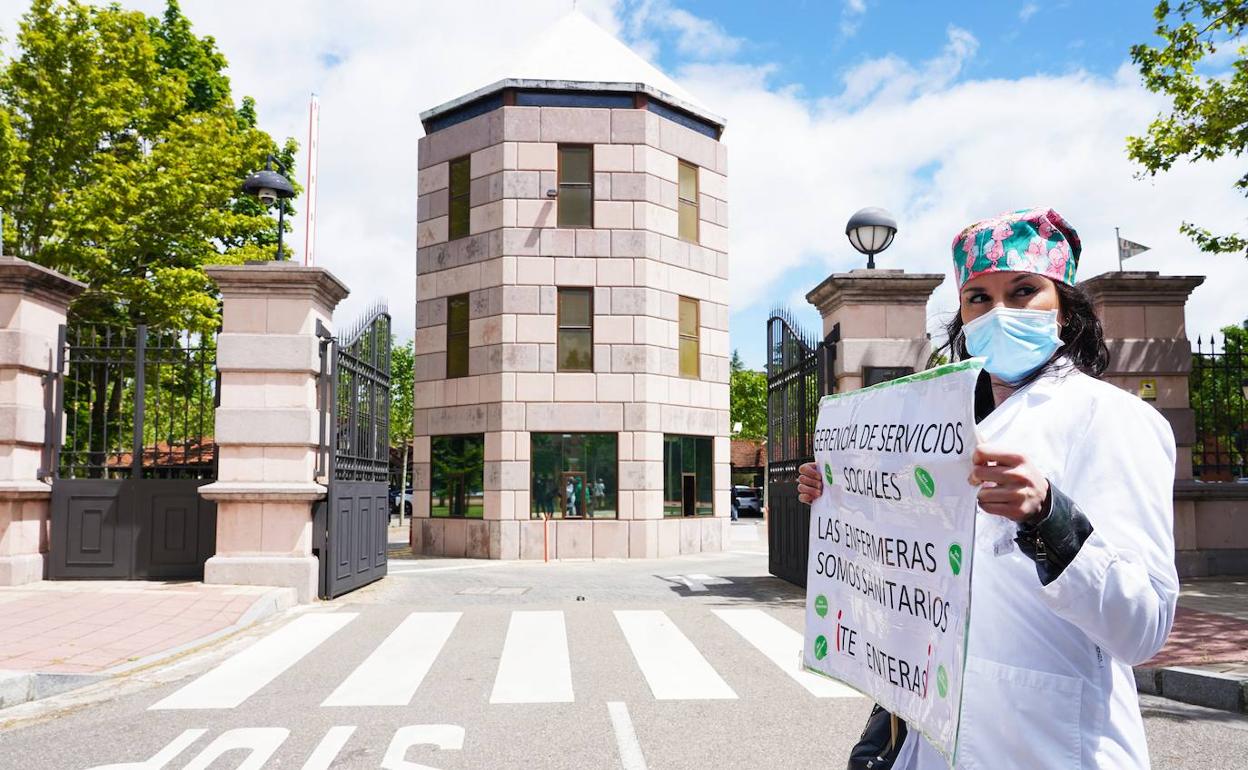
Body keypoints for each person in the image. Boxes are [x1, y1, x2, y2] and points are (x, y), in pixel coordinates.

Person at [797, 208, 1178, 770]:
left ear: (1066, 311)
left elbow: (1143, 629)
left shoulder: (1112, 419)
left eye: (1024, 291)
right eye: (978, 297)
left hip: (1051, 743)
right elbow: (913, 566)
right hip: (939, 732)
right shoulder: (940, 422)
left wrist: (1052, 521)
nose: (999, 312)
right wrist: (842, 498)